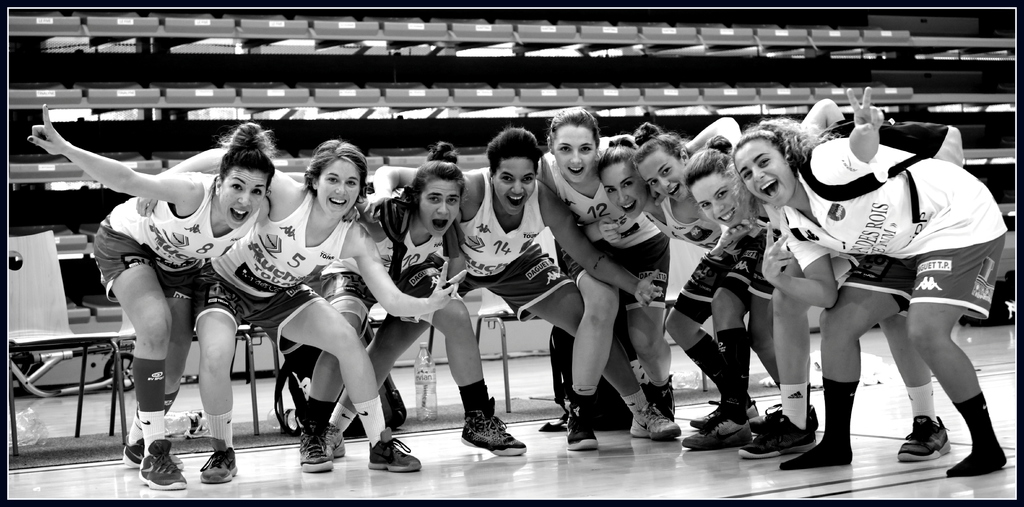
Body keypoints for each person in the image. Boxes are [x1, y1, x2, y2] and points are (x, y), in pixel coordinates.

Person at [150, 138, 465, 477]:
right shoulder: (287, 194)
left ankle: (379, 444)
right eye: (333, 179)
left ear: (361, 190)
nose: (341, 190)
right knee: (216, 353)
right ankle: (222, 453)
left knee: (347, 339)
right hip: (224, 284)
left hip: (281, 293)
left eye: (351, 182)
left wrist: (429, 303)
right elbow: (225, 156)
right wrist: (159, 184)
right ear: (314, 180)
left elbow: (390, 300)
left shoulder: (354, 236)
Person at [733, 88, 1007, 477]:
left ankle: (987, 447)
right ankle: (835, 443)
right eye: (746, 173)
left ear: (789, 157)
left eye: (764, 162)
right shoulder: (795, 224)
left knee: (924, 330)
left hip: (958, 219)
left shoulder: (822, 164)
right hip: (904, 245)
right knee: (836, 322)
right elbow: (825, 293)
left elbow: (859, 152)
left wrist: (864, 130)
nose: (757, 175)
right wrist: (776, 278)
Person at [372, 126, 679, 451]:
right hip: (454, 269)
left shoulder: (544, 201)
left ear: (536, 176)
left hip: (515, 266)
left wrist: (634, 284)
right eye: (507, 178)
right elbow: (391, 173)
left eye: (527, 179)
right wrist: (381, 194)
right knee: (389, 342)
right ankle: (338, 426)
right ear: (491, 174)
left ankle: (641, 410)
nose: (518, 189)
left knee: (586, 319)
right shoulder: (468, 187)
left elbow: (589, 258)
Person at [28, 105, 275, 490]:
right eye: (236, 188)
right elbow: (125, 178)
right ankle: (155, 452)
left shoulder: (261, 201)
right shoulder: (192, 192)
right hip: (128, 241)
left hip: (179, 264)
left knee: (174, 366)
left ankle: (136, 441)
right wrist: (66, 149)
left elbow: (308, 194)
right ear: (219, 183)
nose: (244, 200)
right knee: (155, 327)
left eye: (255, 191)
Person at [317, 142, 527, 458]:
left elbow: (454, 277)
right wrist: (379, 193)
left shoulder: (450, 228)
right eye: (434, 199)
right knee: (343, 333)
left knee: (452, 315)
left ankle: (477, 420)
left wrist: (439, 296)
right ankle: (317, 431)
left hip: (406, 274)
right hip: (354, 273)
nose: (443, 209)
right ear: (416, 197)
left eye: (452, 201)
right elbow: (386, 174)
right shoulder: (386, 212)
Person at [616, 120, 775, 437]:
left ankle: (769, 412)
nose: (663, 184)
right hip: (726, 252)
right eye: (652, 180)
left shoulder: (703, 178)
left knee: (749, 325)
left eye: (666, 171)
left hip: (756, 242)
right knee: (679, 324)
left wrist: (698, 150)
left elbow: (727, 123)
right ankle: (740, 403)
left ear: (682, 156)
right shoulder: (653, 203)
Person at [538, 108, 677, 422]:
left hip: (645, 244)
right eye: (565, 149)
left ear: (598, 147)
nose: (576, 160)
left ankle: (661, 391)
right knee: (599, 307)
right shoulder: (544, 172)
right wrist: (596, 230)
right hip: (587, 248)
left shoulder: (621, 159)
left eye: (585, 149)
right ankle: (585, 411)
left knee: (646, 341)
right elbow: (567, 233)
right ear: (551, 147)